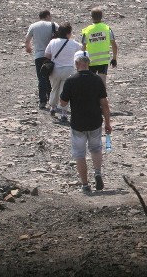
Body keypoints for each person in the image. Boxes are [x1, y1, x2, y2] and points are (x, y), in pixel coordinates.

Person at [59, 51, 111, 193]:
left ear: (76, 64)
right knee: (96, 149)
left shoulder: (71, 81)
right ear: (88, 63)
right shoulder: (97, 80)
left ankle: (85, 185)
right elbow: (104, 104)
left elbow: (63, 103)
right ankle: (98, 172)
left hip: (78, 123)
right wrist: (108, 122)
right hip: (95, 121)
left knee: (80, 154)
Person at [44, 22, 82, 123]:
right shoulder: (73, 43)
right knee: (65, 92)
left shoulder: (53, 42)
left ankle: (52, 107)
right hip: (69, 70)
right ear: (68, 33)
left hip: (55, 69)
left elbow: (47, 55)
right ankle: (64, 113)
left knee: (54, 89)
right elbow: (83, 50)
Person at [25, 10, 57, 109]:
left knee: (42, 78)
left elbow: (27, 40)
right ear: (47, 16)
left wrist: (29, 48)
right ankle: (52, 100)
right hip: (52, 56)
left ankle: (42, 101)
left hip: (39, 55)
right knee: (52, 78)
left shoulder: (33, 26)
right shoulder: (54, 25)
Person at [80, 7, 118, 87]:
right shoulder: (107, 29)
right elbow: (114, 45)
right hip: (103, 61)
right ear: (102, 16)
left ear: (91, 17)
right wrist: (114, 58)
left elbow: (83, 47)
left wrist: (82, 60)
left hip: (90, 61)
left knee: (90, 84)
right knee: (102, 84)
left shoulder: (87, 30)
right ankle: (102, 98)